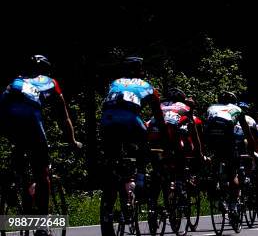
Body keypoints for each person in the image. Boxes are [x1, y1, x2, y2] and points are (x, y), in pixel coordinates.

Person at [0, 55, 81, 235]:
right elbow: (63, 116)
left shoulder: (16, 80)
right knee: (42, 172)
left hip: (7, 117)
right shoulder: (50, 82)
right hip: (31, 122)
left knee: (20, 156)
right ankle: (42, 223)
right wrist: (72, 141)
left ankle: (17, 186)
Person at [99, 56, 162, 236]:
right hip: (130, 120)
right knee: (143, 144)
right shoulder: (147, 85)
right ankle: (140, 178)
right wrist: (164, 137)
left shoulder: (115, 82)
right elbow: (159, 118)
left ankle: (112, 179)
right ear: (140, 70)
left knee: (113, 159)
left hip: (107, 121)